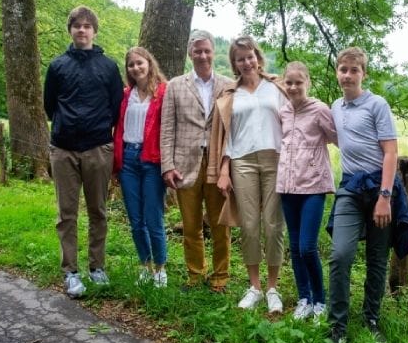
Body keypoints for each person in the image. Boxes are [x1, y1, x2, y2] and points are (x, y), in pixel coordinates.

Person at [43, 5, 123, 298]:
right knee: (67, 214)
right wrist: (67, 126)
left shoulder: (109, 67)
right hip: (63, 149)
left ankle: (97, 267)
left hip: (98, 148)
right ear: (71, 30)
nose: (82, 30)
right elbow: (49, 105)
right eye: (77, 25)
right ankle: (71, 272)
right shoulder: (57, 66)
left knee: (98, 211)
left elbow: (116, 108)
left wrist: (99, 133)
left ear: (94, 31)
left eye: (87, 26)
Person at [208, 36, 288, 313]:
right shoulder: (229, 95)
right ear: (234, 63)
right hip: (241, 162)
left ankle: (273, 288)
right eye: (240, 59)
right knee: (250, 225)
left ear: (257, 56)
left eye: (249, 56)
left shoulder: (277, 87)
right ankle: (254, 286)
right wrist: (223, 170)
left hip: (275, 159)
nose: (246, 62)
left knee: (273, 225)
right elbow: (226, 136)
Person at [327, 47, 398, 343]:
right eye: (343, 69)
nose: (347, 75)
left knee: (377, 260)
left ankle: (371, 318)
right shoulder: (335, 107)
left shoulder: (377, 104)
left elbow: (391, 151)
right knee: (340, 254)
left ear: (363, 74)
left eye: (354, 70)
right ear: (337, 73)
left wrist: (385, 196)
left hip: (378, 189)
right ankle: (337, 327)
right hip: (350, 189)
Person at [160, 30, 233, 292]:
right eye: (197, 50)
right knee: (191, 225)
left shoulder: (227, 85)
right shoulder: (175, 85)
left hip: (216, 164)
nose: (202, 55)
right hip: (184, 165)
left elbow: (233, 128)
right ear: (190, 53)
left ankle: (221, 276)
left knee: (219, 223)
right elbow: (167, 128)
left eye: (207, 50)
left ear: (214, 52)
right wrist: (167, 165)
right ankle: (195, 274)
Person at [276, 62, 337, 320]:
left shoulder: (320, 110)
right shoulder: (283, 111)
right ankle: (305, 298)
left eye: (298, 82)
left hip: (313, 185)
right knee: (294, 245)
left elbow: (338, 138)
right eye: (288, 82)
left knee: (307, 247)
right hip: (288, 187)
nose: (293, 87)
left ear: (307, 83)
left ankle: (320, 301)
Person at [113, 47, 169, 287]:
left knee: (153, 218)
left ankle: (160, 269)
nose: (136, 68)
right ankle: (145, 266)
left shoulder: (164, 92)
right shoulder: (126, 95)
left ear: (149, 62)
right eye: (131, 65)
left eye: (140, 63)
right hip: (128, 160)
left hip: (152, 161)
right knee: (136, 220)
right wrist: (115, 164)